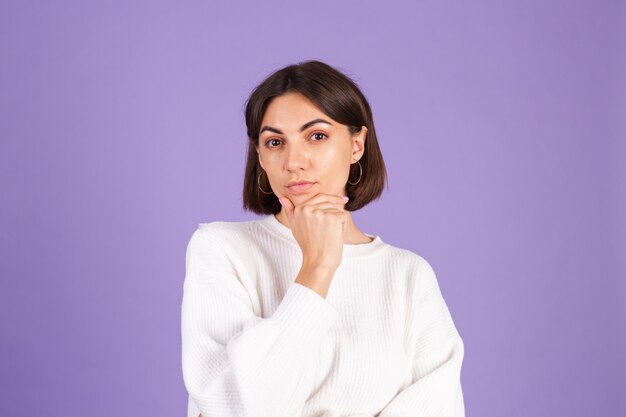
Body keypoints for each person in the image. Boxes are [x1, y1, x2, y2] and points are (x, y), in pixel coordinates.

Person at [181, 60, 465, 417]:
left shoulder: (408, 276)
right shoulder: (221, 249)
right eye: (274, 142)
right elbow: (238, 407)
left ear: (357, 145)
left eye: (317, 136)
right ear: (260, 157)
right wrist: (317, 267)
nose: (293, 161)